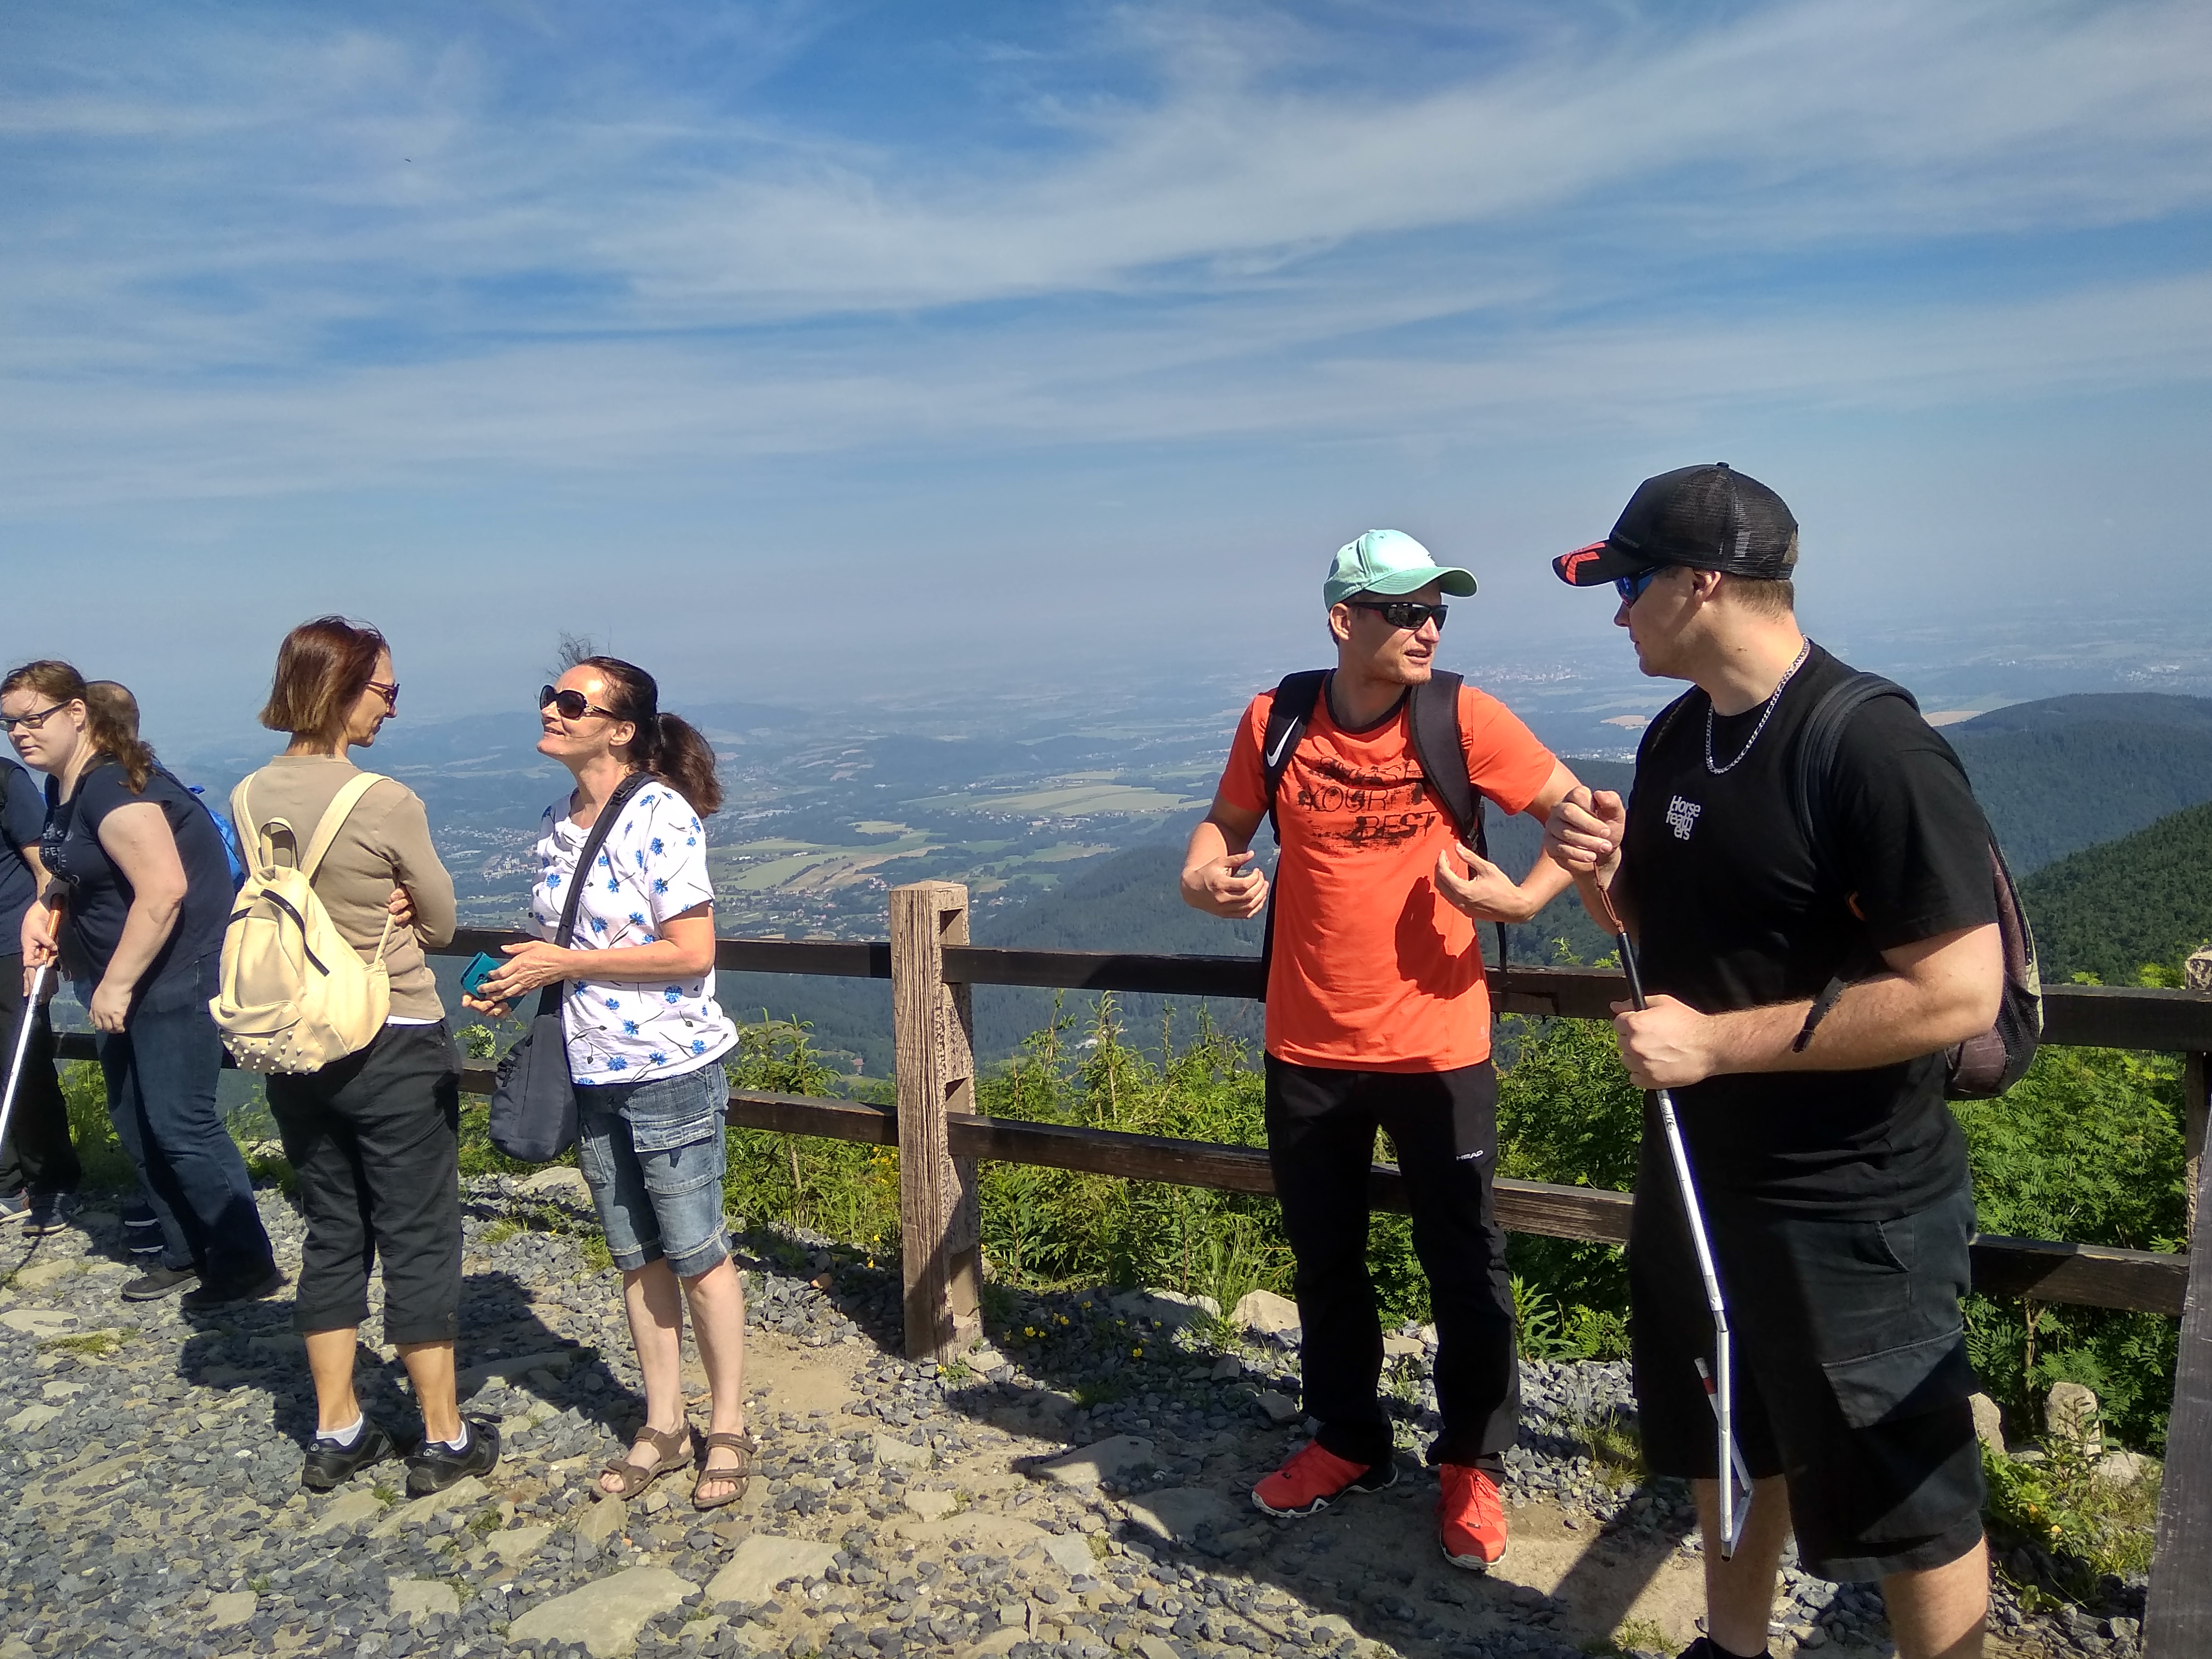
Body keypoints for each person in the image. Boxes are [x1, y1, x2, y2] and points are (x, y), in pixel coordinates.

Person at [1543, 464, 2002, 1659]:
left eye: (1629, 583)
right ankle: (1731, 1646)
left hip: (1850, 1199)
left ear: (1701, 583)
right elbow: (1670, 934)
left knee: (1906, 1494)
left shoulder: (1870, 746)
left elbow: (1959, 991)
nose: (1616, 612)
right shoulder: (1677, 735)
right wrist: (1606, 877)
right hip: (1705, 1182)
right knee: (1729, 1430)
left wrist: (1709, 1046)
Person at [1179, 529, 1587, 1569]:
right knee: (1326, 1259)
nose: (1428, 627)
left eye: (1436, 610)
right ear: (1342, 619)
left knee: (1467, 1263)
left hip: (1439, 1044)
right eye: (1404, 610)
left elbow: (1582, 818)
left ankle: (1472, 1465)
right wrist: (1204, 879)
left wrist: (1526, 899)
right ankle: (1347, 1441)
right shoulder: (1275, 720)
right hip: (1306, 1043)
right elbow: (1222, 830)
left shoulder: (1463, 717)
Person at [463, 652, 752, 1510]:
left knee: (697, 1254)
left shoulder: (660, 814)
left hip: (666, 1066)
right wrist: (516, 978)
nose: (551, 710)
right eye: (550, 696)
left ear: (620, 730)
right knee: (637, 1258)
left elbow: (691, 951)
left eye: (571, 701)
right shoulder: (559, 820)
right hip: (590, 1067)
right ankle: (663, 1424)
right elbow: (564, 942)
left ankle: (728, 1424)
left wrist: (565, 963)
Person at [239, 617, 492, 1495]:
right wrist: (401, 905)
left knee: (333, 1229)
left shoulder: (249, 794)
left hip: (297, 1039)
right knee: (418, 1234)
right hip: (393, 1034)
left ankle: (337, 1428)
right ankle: (445, 1438)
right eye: (385, 690)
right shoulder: (383, 800)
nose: (392, 707)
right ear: (340, 690)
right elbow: (443, 922)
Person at [3, 660, 281, 1308]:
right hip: (122, 977)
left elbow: (163, 891)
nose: (19, 734)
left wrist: (117, 985)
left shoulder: (112, 788)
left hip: (173, 975)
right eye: (9, 723)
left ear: (77, 714)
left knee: (181, 1123)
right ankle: (185, 1252)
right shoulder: (66, 785)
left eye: (33, 719)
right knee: (134, 1119)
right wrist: (46, 906)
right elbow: (73, 866)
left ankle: (245, 1263)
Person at [0, 745, 78, 1233]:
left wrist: (47, 947)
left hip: (13, 945)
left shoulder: (5, 781)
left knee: (23, 1064)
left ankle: (52, 1182)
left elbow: (45, 869)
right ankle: (7, 1185)